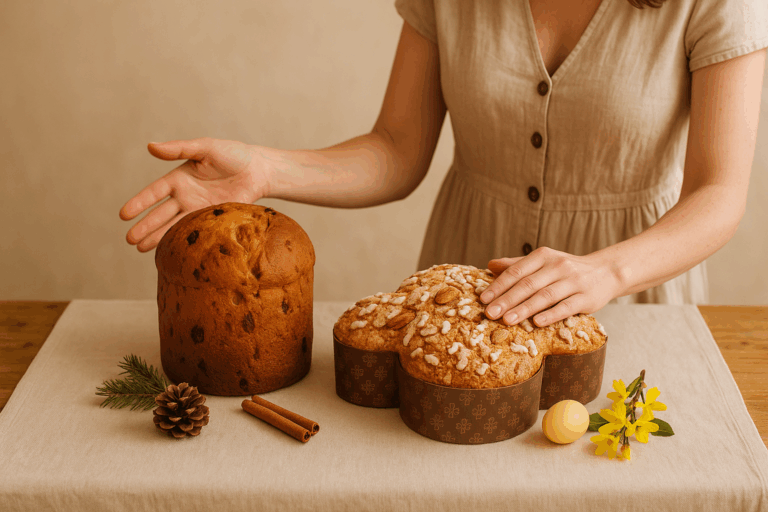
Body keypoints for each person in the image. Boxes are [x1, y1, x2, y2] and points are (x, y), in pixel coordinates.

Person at [120, 0, 767, 329]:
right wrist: (266, 169)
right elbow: (398, 150)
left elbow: (719, 192)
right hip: (467, 293)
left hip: (636, 298)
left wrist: (605, 272)